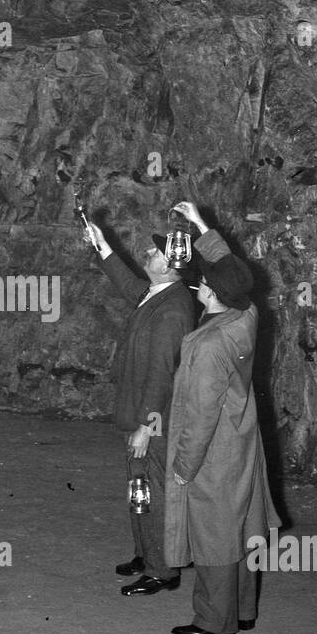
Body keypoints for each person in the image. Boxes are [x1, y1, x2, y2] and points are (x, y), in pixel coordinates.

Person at [163, 201, 281, 634]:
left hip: (213, 451)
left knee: (214, 534)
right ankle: (244, 610)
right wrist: (200, 225)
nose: (196, 287)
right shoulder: (246, 316)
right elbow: (234, 272)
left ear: (210, 292)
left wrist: (183, 468)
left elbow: (200, 415)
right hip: (243, 441)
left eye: (202, 284)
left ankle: (214, 621)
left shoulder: (208, 344)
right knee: (243, 527)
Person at [83, 216, 196, 595]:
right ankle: (145, 552)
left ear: (168, 264)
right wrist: (101, 244)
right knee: (139, 486)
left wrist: (147, 428)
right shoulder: (158, 292)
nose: (147, 253)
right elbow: (128, 284)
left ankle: (162, 570)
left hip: (155, 421)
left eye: (154, 251)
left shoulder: (172, 311)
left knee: (151, 488)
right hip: (143, 415)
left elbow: (162, 375)